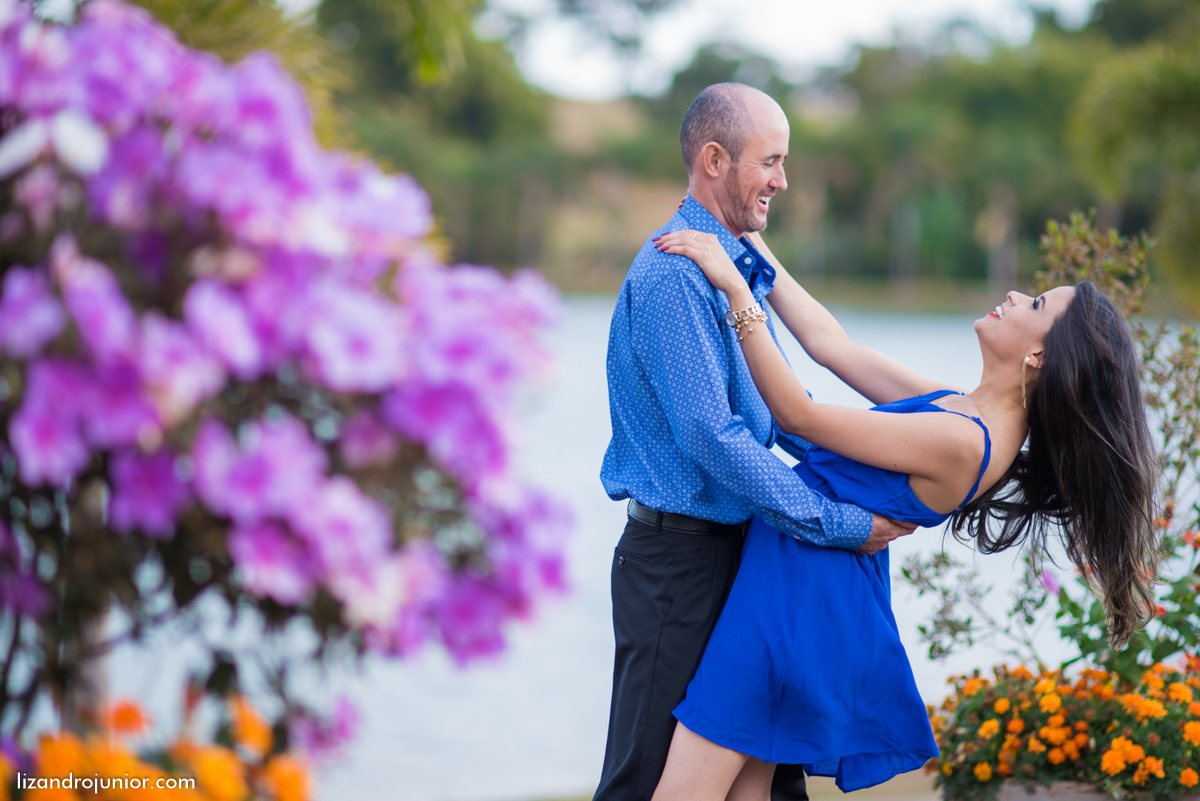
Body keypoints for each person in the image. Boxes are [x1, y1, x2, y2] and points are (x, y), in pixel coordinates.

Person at [646, 226, 1161, 801]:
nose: (1015, 295)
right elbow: (832, 346)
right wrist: (752, 248)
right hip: (801, 590)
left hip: (795, 604)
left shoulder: (964, 441)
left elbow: (798, 417)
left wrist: (735, 290)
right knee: (744, 793)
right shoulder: (959, 410)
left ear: (1038, 355)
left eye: (1036, 304)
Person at [596, 83, 916, 801]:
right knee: (643, 782)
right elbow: (715, 438)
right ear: (715, 160)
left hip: (747, 558)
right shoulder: (676, 275)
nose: (783, 180)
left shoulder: (731, 265)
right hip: (677, 569)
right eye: (770, 161)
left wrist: (881, 470)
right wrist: (838, 523)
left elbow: (779, 417)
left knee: (767, 783)